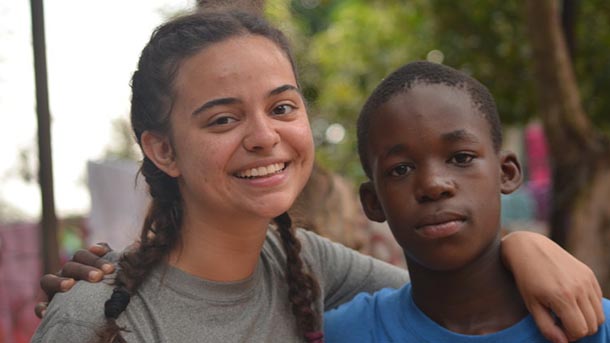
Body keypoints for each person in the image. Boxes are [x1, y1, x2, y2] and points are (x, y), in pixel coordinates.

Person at [32, 10, 603, 343]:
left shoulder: (304, 264)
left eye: (282, 107)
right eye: (224, 118)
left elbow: (449, 282)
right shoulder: (95, 317)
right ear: (162, 150)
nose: (263, 136)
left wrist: (525, 245)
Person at [324, 61, 609, 342]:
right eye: (401, 169)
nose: (434, 185)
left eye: (462, 158)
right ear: (373, 202)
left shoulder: (591, 325)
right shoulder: (347, 333)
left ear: (506, 172)